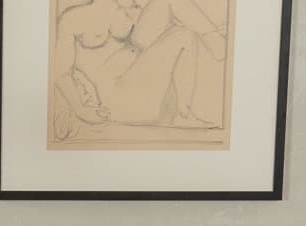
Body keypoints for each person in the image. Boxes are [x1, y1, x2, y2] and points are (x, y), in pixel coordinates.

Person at [52, 0, 229, 139]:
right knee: (183, 35)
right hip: (117, 102)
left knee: (178, 21)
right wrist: (81, 109)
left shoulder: (128, 9)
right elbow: (60, 73)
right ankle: (219, 45)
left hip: (139, 88)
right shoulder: (73, 18)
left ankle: (184, 113)